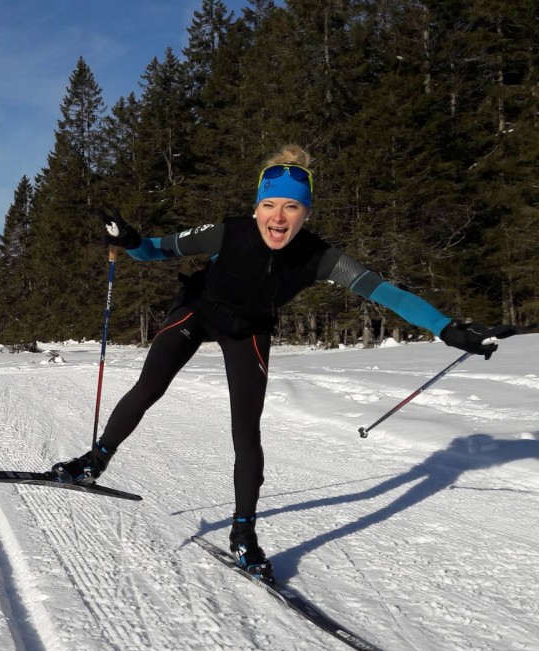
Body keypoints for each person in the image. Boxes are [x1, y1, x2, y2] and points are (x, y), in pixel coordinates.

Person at [50, 144, 516, 579]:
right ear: (257, 207)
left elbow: (387, 293)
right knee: (148, 389)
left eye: (292, 207)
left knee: (246, 431)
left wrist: (449, 328)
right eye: (271, 205)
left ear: (305, 213)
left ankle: (244, 532)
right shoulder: (226, 232)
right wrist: (129, 238)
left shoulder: (320, 257)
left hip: (248, 331)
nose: (279, 217)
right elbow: (153, 250)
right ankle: (95, 461)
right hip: (198, 310)